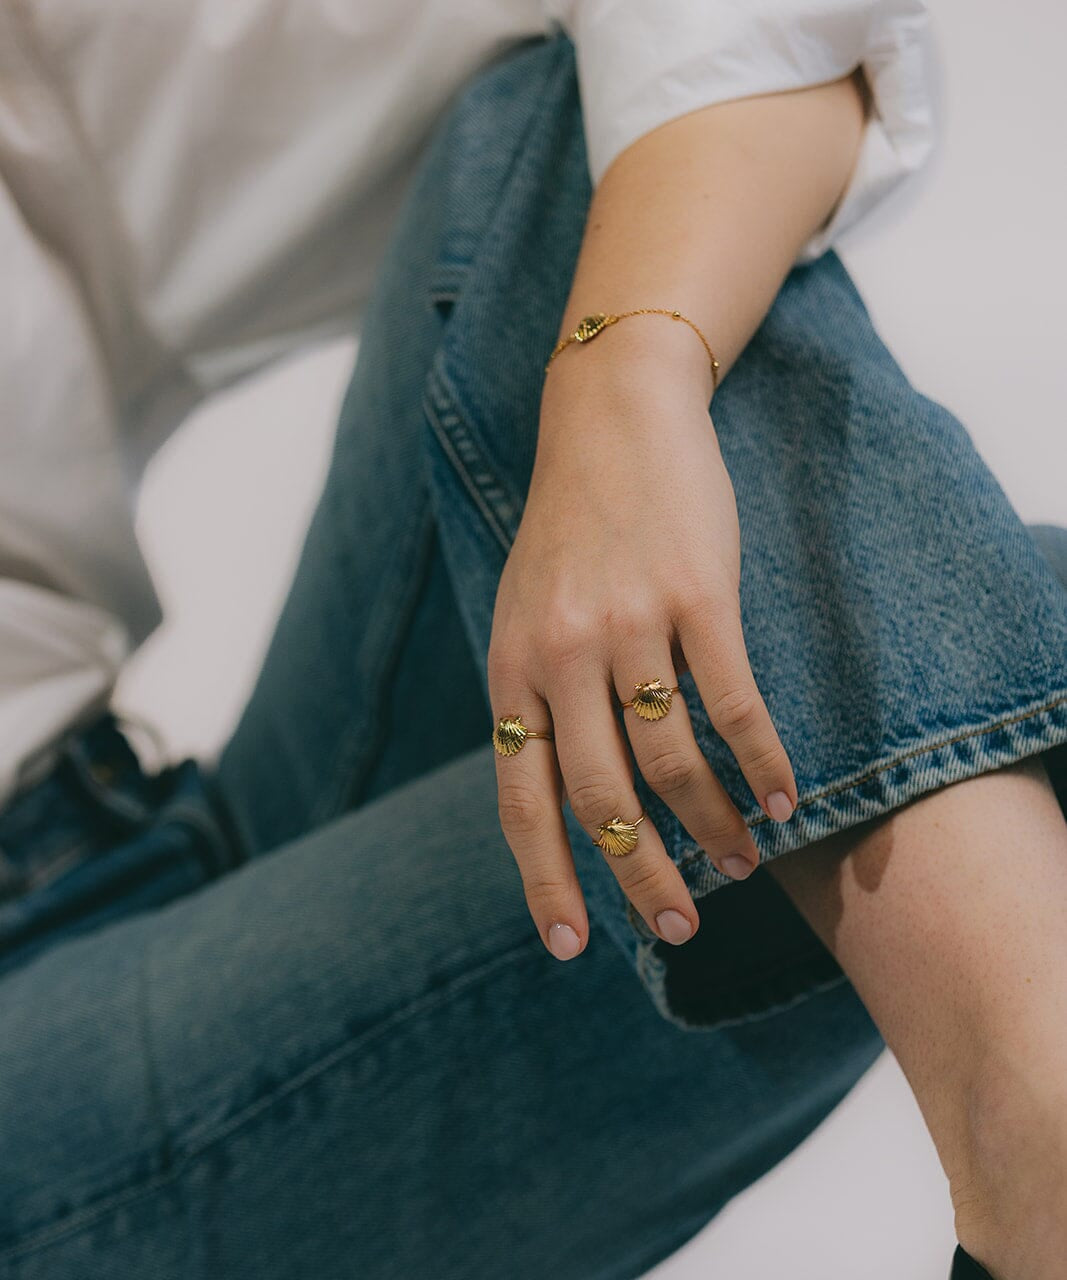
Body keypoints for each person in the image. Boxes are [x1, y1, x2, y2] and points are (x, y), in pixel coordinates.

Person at [1, 4, 1064, 1277]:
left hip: (126, 838)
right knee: (1005, 669)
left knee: (564, 141)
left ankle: (1040, 1132)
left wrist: (628, 385)